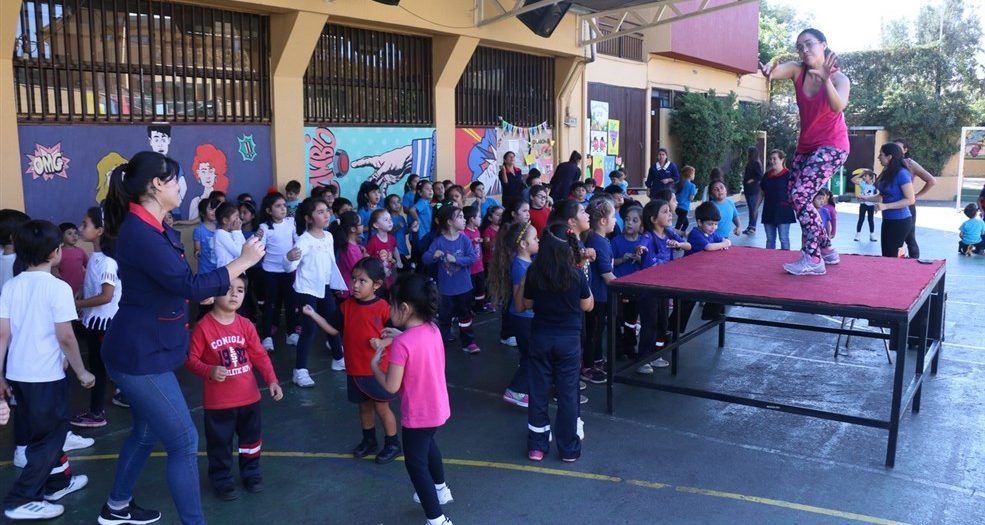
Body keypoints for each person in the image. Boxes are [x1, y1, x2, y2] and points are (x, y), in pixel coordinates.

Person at [98, 151, 264, 525]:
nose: (180, 186)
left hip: (149, 347)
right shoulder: (142, 233)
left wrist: (194, 292)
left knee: (145, 433)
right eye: (175, 180)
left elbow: (174, 285)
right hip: (139, 356)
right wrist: (243, 261)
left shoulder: (155, 228)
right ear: (156, 185)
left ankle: (116, 506)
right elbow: (188, 284)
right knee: (184, 441)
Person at [0, 220, 95, 521]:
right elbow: (66, 337)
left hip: (18, 375)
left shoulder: (11, 286)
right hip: (46, 377)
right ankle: (22, 499)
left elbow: (2, 335)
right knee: (50, 438)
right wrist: (82, 372)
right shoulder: (58, 288)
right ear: (56, 252)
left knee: (39, 431)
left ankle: (57, 484)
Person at [761, 28, 851, 275]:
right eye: (799, 47)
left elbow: (838, 106)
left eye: (809, 44)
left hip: (833, 146)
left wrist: (825, 79)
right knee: (794, 197)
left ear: (823, 44)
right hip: (807, 146)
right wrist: (769, 69)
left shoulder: (840, 79)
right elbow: (776, 71)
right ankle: (827, 248)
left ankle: (813, 258)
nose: (804, 50)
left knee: (801, 195)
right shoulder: (797, 70)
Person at [185, 274, 282, 501]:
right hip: (219, 403)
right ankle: (221, 480)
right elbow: (190, 359)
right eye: (228, 288)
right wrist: (209, 370)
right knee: (220, 444)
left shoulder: (246, 325)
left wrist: (272, 380)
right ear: (214, 293)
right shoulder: (203, 327)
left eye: (240, 290)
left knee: (251, 441)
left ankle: (251, 474)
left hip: (249, 398)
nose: (234, 294)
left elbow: (259, 355)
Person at [369, 273, 454, 525]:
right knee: (429, 445)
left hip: (418, 414)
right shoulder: (433, 329)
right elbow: (417, 342)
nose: (389, 310)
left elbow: (391, 386)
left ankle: (437, 519)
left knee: (416, 465)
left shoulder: (402, 345)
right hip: (438, 408)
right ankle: (441, 490)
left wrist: (375, 366)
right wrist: (399, 334)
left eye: (392, 305)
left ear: (404, 308)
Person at [303, 257, 402, 463]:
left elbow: (397, 336)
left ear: (376, 285)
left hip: (378, 371)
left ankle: (393, 443)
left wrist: (382, 343)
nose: (355, 285)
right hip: (355, 369)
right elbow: (333, 329)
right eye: (354, 279)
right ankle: (369, 440)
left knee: (382, 408)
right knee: (363, 407)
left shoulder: (383, 307)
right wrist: (314, 315)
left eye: (362, 281)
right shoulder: (346, 306)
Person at [522, 222, 592, 462]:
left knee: (539, 391)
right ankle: (568, 448)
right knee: (567, 393)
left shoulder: (534, 272)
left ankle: (537, 446)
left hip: (541, 337)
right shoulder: (575, 274)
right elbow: (587, 305)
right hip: (568, 341)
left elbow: (527, 304)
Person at [285, 197, 348, 386]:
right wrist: (289, 258)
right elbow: (290, 267)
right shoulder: (304, 240)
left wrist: (335, 284)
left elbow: (329, 263)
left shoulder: (328, 236)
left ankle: (338, 358)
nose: (326, 214)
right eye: (320, 212)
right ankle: (300, 370)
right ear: (308, 218)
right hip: (307, 290)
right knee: (309, 329)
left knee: (333, 323)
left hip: (324, 287)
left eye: (327, 210)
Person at [70, 207, 122, 429]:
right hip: (95, 321)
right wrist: (82, 290)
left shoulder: (108, 261)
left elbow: (106, 296)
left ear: (100, 230)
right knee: (104, 366)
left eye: (85, 224)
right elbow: (95, 286)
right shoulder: (96, 257)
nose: (81, 228)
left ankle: (96, 412)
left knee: (99, 368)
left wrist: (76, 304)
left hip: (103, 323)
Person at [488, 221, 538, 408]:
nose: (538, 240)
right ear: (523, 244)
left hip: (525, 317)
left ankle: (526, 385)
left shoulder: (525, 262)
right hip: (524, 318)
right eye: (535, 238)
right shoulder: (520, 266)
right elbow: (520, 297)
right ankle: (516, 390)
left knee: (529, 354)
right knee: (532, 355)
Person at [423, 206, 479, 354]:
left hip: (464, 287)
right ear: (449, 222)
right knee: (445, 318)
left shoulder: (464, 239)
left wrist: (456, 259)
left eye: (463, 216)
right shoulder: (439, 242)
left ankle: (469, 342)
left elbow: (473, 257)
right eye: (460, 217)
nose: (464, 219)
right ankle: (441, 344)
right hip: (446, 290)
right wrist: (434, 256)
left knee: (465, 317)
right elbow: (425, 258)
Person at [257, 192, 299, 351]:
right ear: (269, 210)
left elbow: (297, 240)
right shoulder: (264, 227)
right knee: (270, 304)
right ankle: (267, 337)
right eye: (278, 206)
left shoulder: (291, 222)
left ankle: (291, 333)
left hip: (288, 270)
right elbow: (260, 247)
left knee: (290, 302)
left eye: (284, 205)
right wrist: (256, 238)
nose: (283, 209)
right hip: (270, 272)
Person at [581, 197, 616, 384]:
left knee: (597, 330)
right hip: (597, 297)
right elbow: (607, 274)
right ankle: (587, 366)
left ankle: (596, 360)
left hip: (598, 296)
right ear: (603, 221)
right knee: (593, 332)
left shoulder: (600, 239)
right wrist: (625, 287)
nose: (615, 220)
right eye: (613, 216)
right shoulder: (599, 241)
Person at [859, 143, 915, 258]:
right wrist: (866, 198)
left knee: (892, 257)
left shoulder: (902, 173)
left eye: (881, 155)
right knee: (886, 255)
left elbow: (910, 200)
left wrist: (886, 206)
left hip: (901, 221)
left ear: (889, 157)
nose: (878, 157)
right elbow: (882, 196)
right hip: (888, 219)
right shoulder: (888, 172)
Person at [609, 203, 646, 360]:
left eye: (634, 220)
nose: (629, 223)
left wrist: (640, 259)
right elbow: (610, 263)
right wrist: (622, 259)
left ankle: (630, 346)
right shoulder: (616, 241)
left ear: (642, 224)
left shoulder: (644, 241)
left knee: (631, 319)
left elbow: (649, 263)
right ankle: (617, 349)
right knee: (617, 318)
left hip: (636, 287)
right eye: (627, 219)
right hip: (619, 286)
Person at [892, 138, 936, 258]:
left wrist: (917, 195)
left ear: (905, 150)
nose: (896, 150)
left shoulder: (910, 164)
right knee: (895, 240)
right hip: (893, 206)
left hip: (907, 205)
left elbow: (931, 181)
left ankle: (914, 265)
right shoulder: (891, 164)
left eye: (899, 148)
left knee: (910, 238)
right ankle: (894, 265)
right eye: (894, 148)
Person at [760, 150, 796, 250]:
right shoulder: (766, 176)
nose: (772, 161)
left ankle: (785, 257)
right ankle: (768, 258)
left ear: (782, 159)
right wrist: (755, 208)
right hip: (768, 211)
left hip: (783, 211)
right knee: (770, 239)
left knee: (784, 238)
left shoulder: (789, 175)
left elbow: (794, 192)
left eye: (774, 159)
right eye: (771, 159)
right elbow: (762, 192)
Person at [332, 211, 367, 302]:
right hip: (349, 291)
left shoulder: (354, 245)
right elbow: (357, 270)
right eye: (360, 224)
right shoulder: (349, 249)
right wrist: (366, 259)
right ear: (353, 229)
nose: (363, 225)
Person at [56, 222, 87, 297]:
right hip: (64, 289)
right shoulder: (58, 253)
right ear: (61, 236)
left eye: (75, 233)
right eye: (69, 234)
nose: (74, 236)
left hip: (80, 288)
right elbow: (54, 270)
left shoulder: (80, 251)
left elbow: (88, 266)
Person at [214, 202, 248, 268]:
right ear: (225, 220)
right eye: (236, 217)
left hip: (238, 270)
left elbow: (244, 246)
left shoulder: (234, 232)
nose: (239, 220)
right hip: (227, 272)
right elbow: (238, 252)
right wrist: (237, 231)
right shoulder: (220, 234)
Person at [193, 198, 219, 275]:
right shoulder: (199, 230)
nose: (214, 211)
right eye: (211, 209)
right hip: (205, 270)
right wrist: (197, 252)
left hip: (220, 268)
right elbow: (197, 249)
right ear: (202, 213)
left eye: (216, 209)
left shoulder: (220, 227)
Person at [851, 169, 878, 242]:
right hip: (863, 204)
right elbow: (853, 180)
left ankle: (872, 234)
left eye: (865, 176)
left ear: (870, 177)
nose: (864, 177)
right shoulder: (862, 183)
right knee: (861, 219)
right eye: (864, 176)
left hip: (871, 204)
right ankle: (858, 234)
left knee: (871, 220)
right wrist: (861, 174)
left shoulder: (874, 186)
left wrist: (876, 205)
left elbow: (877, 196)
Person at [742, 147, 764, 235]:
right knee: (750, 208)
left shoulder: (756, 163)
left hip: (753, 190)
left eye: (749, 152)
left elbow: (760, 176)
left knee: (753, 208)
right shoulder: (750, 163)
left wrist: (752, 180)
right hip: (748, 189)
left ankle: (753, 227)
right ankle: (750, 226)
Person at [674, 166, 697, 232]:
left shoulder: (679, 183)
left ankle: (680, 236)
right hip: (684, 208)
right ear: (690, 175)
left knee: (686, 223)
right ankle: (674, 236)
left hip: (677, 207)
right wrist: (695, 193)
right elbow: (691, 199)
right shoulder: (692, 186)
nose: (694, 175)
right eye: (693, 174)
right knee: (678, 226)